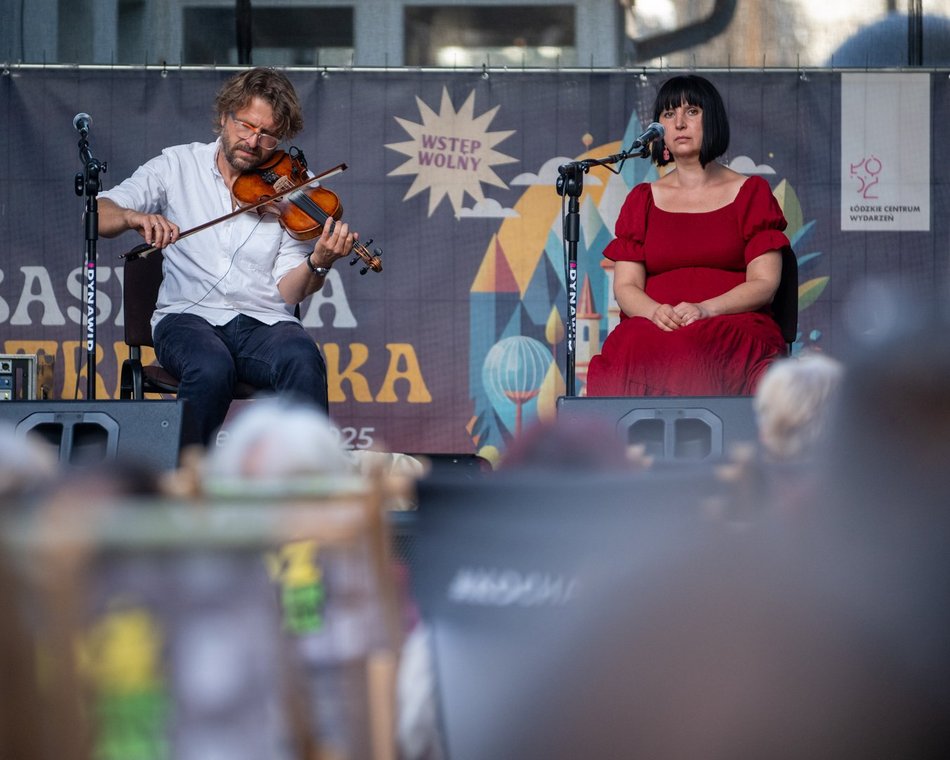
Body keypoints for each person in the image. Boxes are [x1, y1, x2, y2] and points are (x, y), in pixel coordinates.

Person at [99, 67, 358, 446]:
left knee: (303, 359)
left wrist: (319, 261)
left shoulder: (298, 188)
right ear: (224, 117)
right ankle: (184, 481)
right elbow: (101, 212)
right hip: (186, 319)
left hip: (263, 323)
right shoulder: (177, 165)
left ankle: (305, 487)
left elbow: (288, 293)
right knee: (210, 366)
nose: (254, 142)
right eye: (246, 126)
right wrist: (133, 216)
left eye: (268, 134)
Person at [587, 74, 789, 397]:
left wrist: (706, 309)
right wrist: (655, 312)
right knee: (630, 342)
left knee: (693, 348)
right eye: (668, 114)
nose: (679, 123)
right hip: (657, 325)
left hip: (729, 324)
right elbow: (625, 286)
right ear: (659, 130)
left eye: (691, 112)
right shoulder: (642, 199)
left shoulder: (752, 193)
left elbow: (764, 284)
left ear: (713, 120)